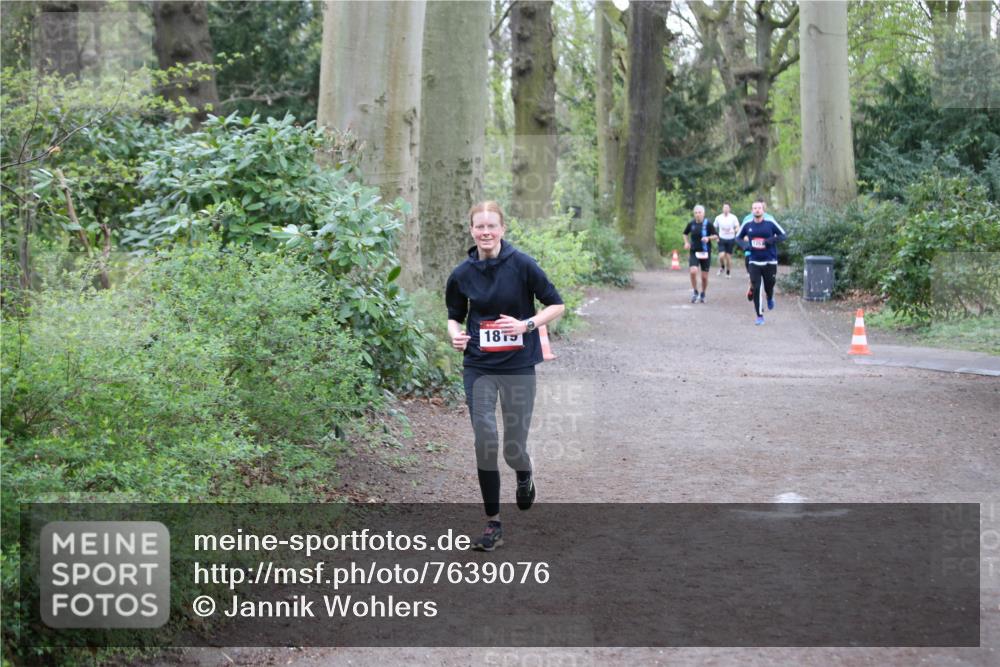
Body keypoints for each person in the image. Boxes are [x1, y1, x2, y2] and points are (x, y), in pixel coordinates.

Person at [446, 201, 565, 551]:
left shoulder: (523, 265)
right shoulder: (461, 274)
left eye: (491, 226)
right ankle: (493, 524)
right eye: (479, 226)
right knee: (485, 440)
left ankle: (524, 473)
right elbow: (454, 314)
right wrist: (454, 334)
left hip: (517, 367)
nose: (485, 232)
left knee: (513, 448)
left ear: (502, 229)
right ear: (471, 230)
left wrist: (525, 324)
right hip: (479, 366)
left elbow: (556, 304)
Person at [736, 199, 787, 325]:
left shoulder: (770, 222)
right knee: (757, 287)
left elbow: (783, 235)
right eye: (754, 208)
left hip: (770, 260)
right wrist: (745, 246)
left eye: (759, 208)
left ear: (763, 210)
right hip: (754, 261)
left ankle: (770, 296)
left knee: (770, 285)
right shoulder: (748, 224)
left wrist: (770, 241)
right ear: (752, 210)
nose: (757, 210)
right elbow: (738, 238)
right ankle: (759, 315)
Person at [682, 205, 718, 303]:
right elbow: (685, 233)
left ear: (703, 213)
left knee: (704, 277)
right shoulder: (691, 223)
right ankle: (695, 292)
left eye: (699, 212)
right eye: (696, 213)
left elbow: (716, 236)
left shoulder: (708, 224)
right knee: (693, 271)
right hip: (694, 251)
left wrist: (708, 238)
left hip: (705, 252)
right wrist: (686, 242)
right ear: (694, 214)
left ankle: (703, 293)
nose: (697, 214)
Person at [713, 203, 740, 278]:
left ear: (729, 209)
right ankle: (722, 266)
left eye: (727, 208)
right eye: (724, 208)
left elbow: (738, 227)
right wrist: (716, 237)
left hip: (730, 239)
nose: (725, 209)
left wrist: (734, 231)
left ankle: (728, 272)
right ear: (722, 209)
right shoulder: (718, 217)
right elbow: (714, 228)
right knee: (721, 256)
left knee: (728, 257)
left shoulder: (733, 217)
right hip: (721, 238)